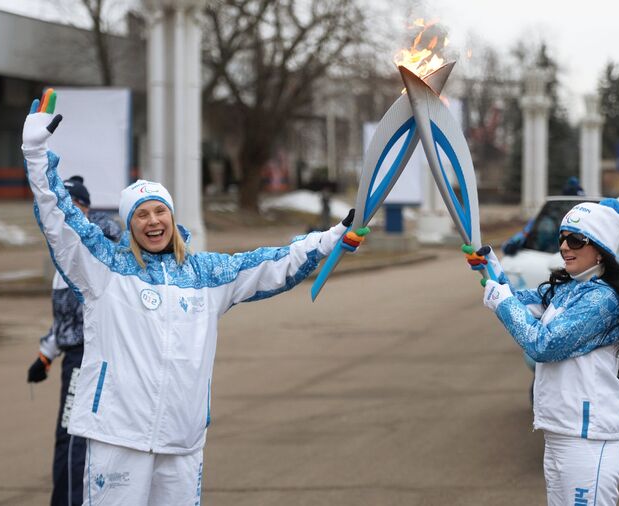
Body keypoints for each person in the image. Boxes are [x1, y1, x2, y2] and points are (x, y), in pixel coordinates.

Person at [21, 89, 368, 505]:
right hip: (117, 438)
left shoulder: (206, 275)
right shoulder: (104, 270)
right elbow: (61, 218)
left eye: (159, 211)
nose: (153, 221)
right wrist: (36, 153)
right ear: (130, 226)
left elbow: (273, 262)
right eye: (141, 215)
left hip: (181, 444)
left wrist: (332, 238)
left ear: (172, 215)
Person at [465, 198, 619, 506]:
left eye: (576, 239)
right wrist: (490, 271)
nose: (565, 246)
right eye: (562, 238)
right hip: (560, 430)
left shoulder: (604, 300)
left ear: (601, 247)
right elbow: (516, 302)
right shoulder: (567, 289)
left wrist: (501, 298)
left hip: (588, 437)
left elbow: (545, 345)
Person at [26, 175, 121, 506]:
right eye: (59, 207)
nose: (64, 214)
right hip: (73, 358)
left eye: (71, 206)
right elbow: (65, 320)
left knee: (73, 438)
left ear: (85, 207)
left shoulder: (100, 251)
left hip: (89, 359)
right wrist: (45, 356)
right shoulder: (67, 253)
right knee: (72, 438)